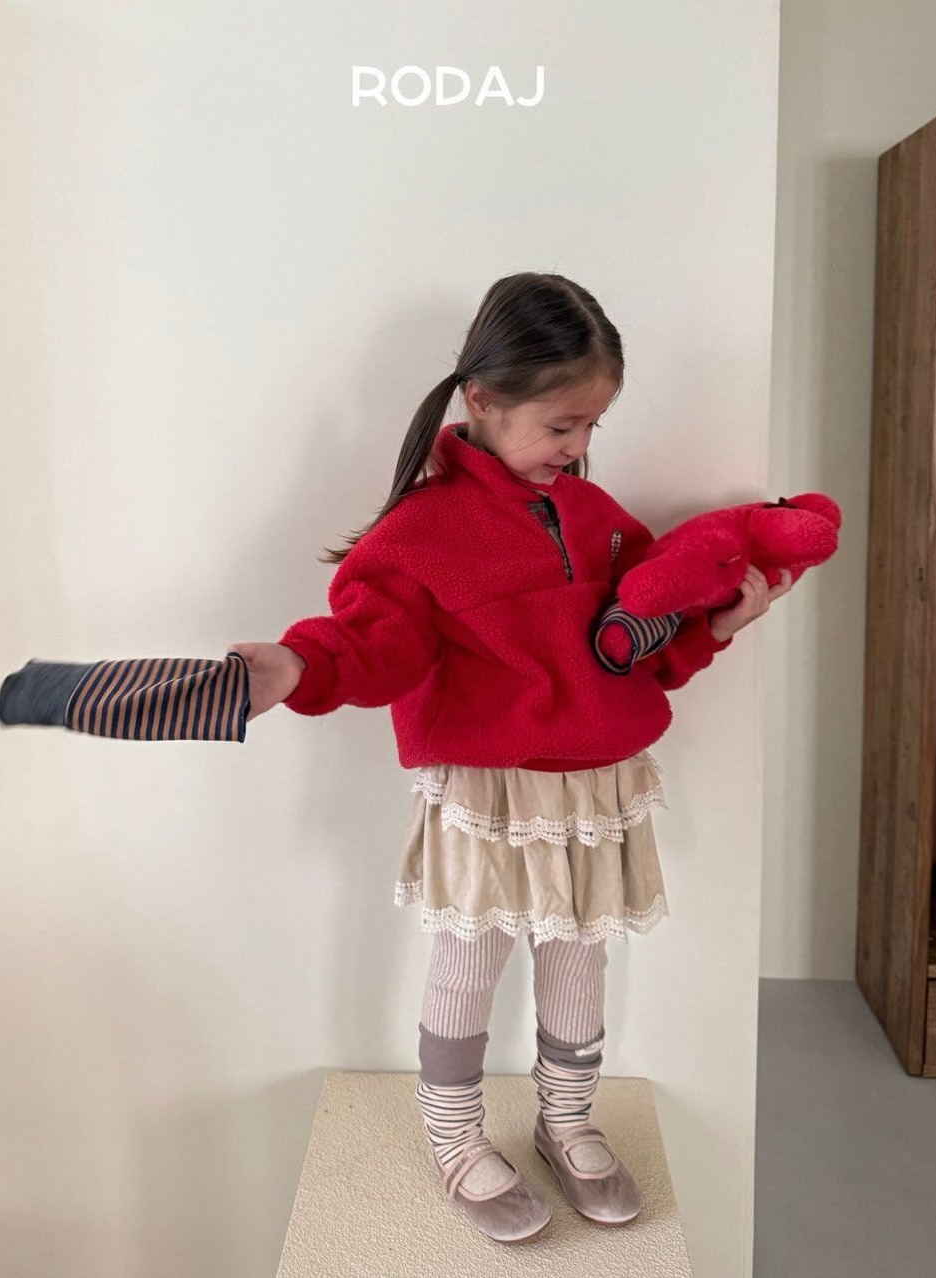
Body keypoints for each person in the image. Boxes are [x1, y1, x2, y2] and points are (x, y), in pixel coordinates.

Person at [229, 272, 791, 1244]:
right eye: (561, 425)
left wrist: (718, 624)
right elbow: (368, 644)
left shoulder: (598, 518)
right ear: (481, 400)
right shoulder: (420, 532)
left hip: (595, 784)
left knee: (579, 952)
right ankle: (453, 1137)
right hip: (486, 790)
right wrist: (294, 666)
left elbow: (643, 643)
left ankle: (565, 1120)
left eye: (591, 427)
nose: (576, 446)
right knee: (470, 954)